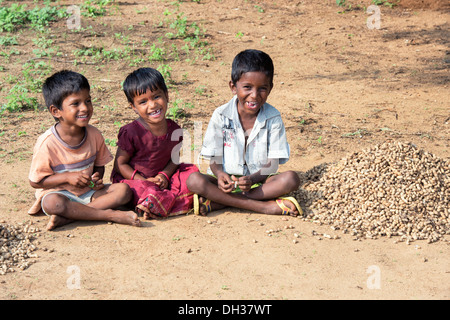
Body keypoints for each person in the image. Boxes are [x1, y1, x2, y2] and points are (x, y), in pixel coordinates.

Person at [186, 49, 302, 216]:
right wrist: (219, 174)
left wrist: (253, 179)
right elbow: (214, 158)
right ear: (233, 87)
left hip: (259, 183)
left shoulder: (273, 118)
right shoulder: (220, 115)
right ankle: (263, 207)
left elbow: (273, 164)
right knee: (193, 180)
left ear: (270, 88)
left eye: (262, 88)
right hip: (225, 183)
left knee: (291, 179)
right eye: (247, 87)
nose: (254, 95)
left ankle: (221, 202)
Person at [28, 70, 141, 230]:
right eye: (75, 103)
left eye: (87, 101)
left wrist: (96, 178)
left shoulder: (94, 134)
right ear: (56, 111)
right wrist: (66, 177)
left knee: (124, 191)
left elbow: (99, 165)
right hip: (60, 193)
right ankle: (110, 215)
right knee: (53, 203)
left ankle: (70, 218)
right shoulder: (47, 143)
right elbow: (35, 181)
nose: (85, 108)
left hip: (89, 193)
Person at [111, 67, 199, 219]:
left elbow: (174, 159)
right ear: (133, 107)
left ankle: (156, 202)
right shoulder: (131, 132)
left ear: (166, 95)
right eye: (143, 102)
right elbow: (120, 165)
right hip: (135, 181)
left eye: (156, 96)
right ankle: (155, 203)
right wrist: (143, 180)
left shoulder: (174, 129)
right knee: (139, 190)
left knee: (191, 174)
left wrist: (164, 175)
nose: (152, 105)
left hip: (163, 179)